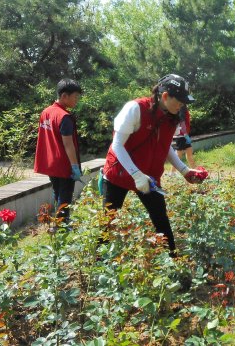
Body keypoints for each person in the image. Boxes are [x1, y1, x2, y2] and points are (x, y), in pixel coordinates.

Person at [100, 74, 207, 255]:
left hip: (149, 177)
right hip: (120, 172)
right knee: (109, 220)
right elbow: (117, 144)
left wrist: (184, 170)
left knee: (160, 218)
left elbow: (165, 146)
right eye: (179, 101)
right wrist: (136, 174)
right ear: (164, 96)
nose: (182, 106)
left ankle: (171, 260)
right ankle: (98, 263)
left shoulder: (172, 115)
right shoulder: (135, 109)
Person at [34, 78, 83, 224]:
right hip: (63, 165)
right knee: (65, 198)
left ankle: (59, 222)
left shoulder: (46, 112)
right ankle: (62, 226)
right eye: (75, 97)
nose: (77, 101)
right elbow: (68, 144)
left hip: (50, 164)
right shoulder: (64, 117)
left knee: (57, 193)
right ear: (64, 96)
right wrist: (74, 167)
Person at [170, 105, 195, 173]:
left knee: (189, 152)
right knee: (178, 155)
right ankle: (172, 173)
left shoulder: (182, 107)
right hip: (181, 135)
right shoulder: (182, 107)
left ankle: (194, 170)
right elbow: (182, 121)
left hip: (182, 134)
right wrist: (185, 134)